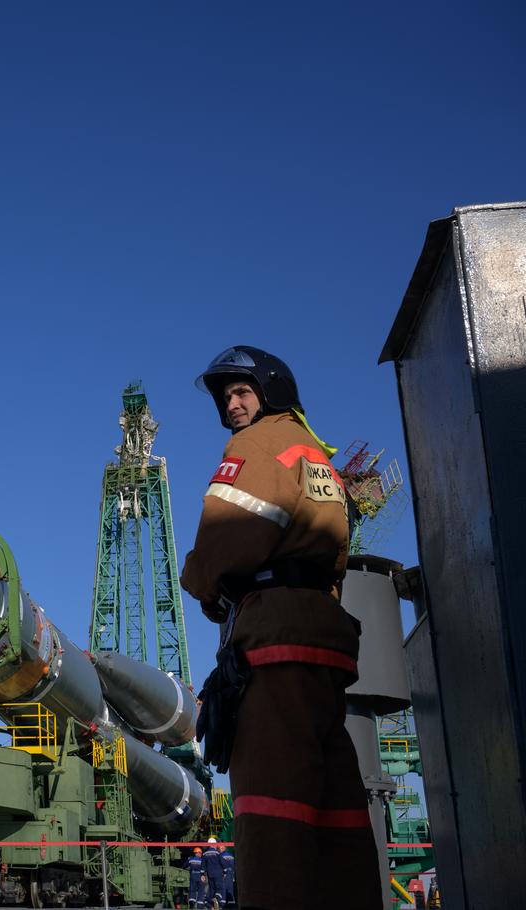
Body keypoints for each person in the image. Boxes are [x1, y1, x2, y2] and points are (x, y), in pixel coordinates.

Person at [182, 346, 378, 909]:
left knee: (273, 806)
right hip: (324, 639)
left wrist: (203, 583)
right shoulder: (317, 458)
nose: (233, 406)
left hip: (274, 640)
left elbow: (222, 539)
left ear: (270, 391)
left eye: (242, 393)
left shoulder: (258, 444)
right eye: (226, 398)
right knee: (336, 806)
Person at [201, 838, 224, 909]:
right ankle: (216, 899)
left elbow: (203, 865)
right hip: (218, 873)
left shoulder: (205, 854)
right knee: (220, 888)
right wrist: (225, 872)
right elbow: (222, 863)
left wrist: (202, 875)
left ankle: (210, 905)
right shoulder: (218, 853)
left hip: (210, 874)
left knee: (212, 889)